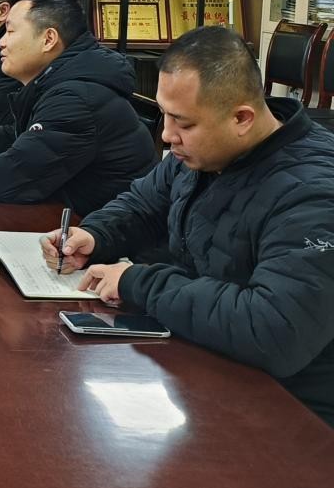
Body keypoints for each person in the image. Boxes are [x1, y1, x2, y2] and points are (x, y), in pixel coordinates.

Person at [40, 26, 334, 427]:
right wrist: (95, 235)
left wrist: (138, 282)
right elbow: (144, 203)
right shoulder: (206, 153)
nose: (166, 135)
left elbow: (275, 330)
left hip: (293, 412)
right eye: (165, 114)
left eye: (183, 122)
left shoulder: (313, 193)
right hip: (208, 368)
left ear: (242, 118)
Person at [0, 0, 156, 214]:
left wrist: (0, 161)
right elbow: (18, 136)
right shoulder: (62, 80)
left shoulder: (75, 99)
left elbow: (6, 181)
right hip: (71, 220)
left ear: (48, 39)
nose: (1, 42)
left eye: (10, 31)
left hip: (97, 233)